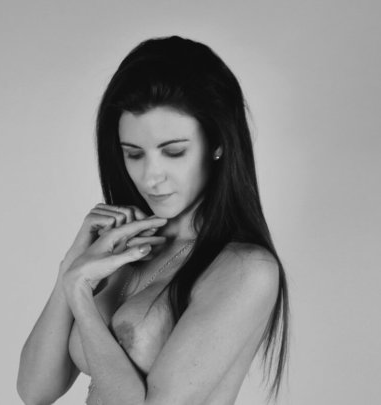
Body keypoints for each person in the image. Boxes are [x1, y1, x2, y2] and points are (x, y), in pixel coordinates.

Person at [17, 35, 289, 405]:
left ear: (218, 144)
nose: (151, 177)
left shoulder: (244, 269)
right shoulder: (123, 249)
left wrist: (80, 295)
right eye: (134, 154)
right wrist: (71, 267)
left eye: (173, 152)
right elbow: (35, 391)